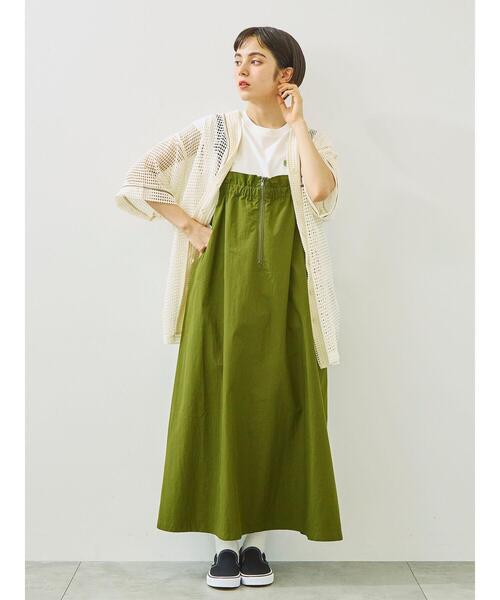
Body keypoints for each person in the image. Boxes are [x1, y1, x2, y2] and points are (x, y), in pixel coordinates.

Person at [115, 26, 343, 589]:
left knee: (279, 404)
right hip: (220, 290)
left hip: (290, 296)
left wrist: (296, 125)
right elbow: (140, 175)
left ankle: (256, 545)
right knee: (219, 402)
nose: (241, 69)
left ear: (286, 75)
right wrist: (190, 226)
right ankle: (224, 545)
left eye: (256, 60)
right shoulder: (216, 133)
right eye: (237, 59)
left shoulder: (309, 140)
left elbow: (320, 194)